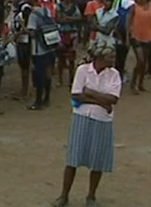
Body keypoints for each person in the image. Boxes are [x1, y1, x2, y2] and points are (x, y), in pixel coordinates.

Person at [52, 44, 121, 207]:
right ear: (100, 58)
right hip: (85, 116)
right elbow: (77, 95)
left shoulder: (114, 74)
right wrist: (101, 101)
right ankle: (65, 195)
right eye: (110, 57)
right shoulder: (83, 70)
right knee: (73, 159)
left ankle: (90, 196)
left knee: (97, 161)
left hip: (97, 118)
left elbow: (113, 99)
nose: (113, 60)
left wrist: (89, 93)